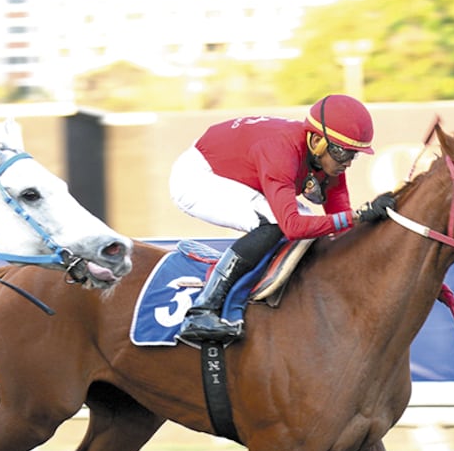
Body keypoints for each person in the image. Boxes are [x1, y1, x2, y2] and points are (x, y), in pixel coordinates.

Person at [168, 93, 396, 343]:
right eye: (344, 153)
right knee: (276, 223)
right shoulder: (281, 151)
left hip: (241, 169)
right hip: (197, 177)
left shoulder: (330, 161)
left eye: (355, 154)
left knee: (309, 225)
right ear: (318, 141)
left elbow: (340, 228)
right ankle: (202, 311)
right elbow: (293, 227)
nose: (349, 163)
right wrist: (360, 215)